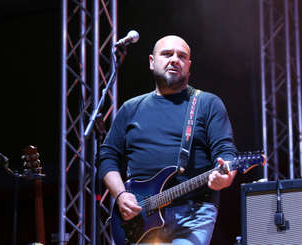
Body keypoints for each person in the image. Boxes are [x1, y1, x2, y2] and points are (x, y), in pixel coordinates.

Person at [99, 35, 237, 244]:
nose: (174, 59)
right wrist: (121, 196)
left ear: (189, 66)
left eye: (182, 56)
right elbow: (107, 157)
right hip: (139, 218)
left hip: (194, 212)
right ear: (152, 62)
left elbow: (226, 152)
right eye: (167, 54)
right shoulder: (130, 108)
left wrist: (226, 176)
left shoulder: (207, 103)